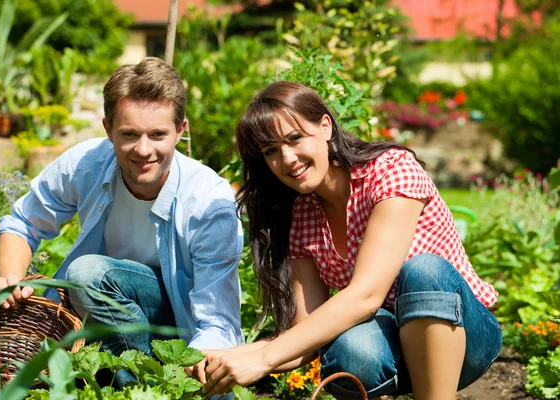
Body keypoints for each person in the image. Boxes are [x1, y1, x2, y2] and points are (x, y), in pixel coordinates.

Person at [200, 81, 501, 400]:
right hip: (396, 350)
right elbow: (306, 333)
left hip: (465, 338)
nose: (287, 159)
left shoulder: (390, 170)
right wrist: (229, 358)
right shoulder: (302, 214)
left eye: (295, 138)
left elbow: (366, 295)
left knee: (424, 270)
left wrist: (261, 360)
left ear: (325, 126)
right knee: (349, 347)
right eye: (271, 151)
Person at [0, 57, 244, 386]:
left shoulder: (208, 202)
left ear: (180, 131)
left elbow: (218, 320)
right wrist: (11, 279)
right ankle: (118, 379)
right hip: (103, 315)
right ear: (108, 129)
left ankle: (143, 384)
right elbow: (23, 224)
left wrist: (191, 378)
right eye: (129, 134)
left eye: (157, 134)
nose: (143, 150)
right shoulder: (86, 165)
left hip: (179, 329)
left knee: (86, 275)